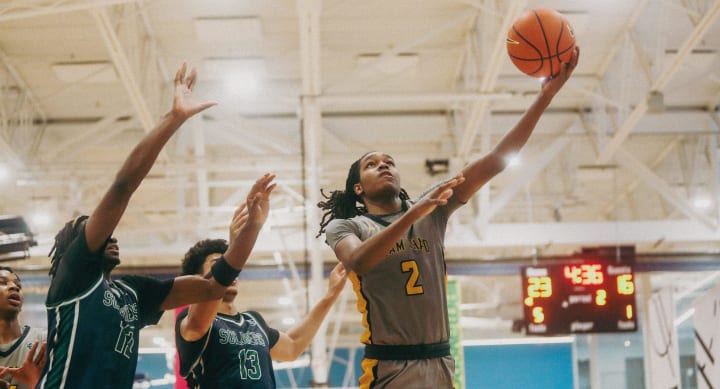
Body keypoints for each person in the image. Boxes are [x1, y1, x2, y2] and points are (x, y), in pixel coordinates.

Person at [316, 47, 580, 388]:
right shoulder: (348, 226)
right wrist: (414, 213)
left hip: (441, 363)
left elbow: (497, 159)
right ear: (357, 189)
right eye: (372, 164)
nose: (384, 165)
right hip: (390, 368)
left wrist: (545, 97)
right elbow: (359, 262)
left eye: (390, 161)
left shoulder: (432, 207)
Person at [36, 63, 276, 389]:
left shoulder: (132, 292)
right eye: (90, 228)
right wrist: (174, 118)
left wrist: (250, 232)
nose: (109, 233)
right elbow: (122, 188)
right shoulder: (74, 277)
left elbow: (211, 288)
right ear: (72, 250)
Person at [175, 201, 348, 389]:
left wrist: (330, 295)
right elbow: (198, 321)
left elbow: (293, 346)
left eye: (230, 265)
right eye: (218, 264)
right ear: (198, 279)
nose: (230, 272)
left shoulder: (253, 320)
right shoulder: (190, 319)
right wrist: (235, 246)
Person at [0, 267, 46, 389]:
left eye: (18, 285)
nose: (14, 287)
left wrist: (37, 384)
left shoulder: (43, 342)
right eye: (3, 282)